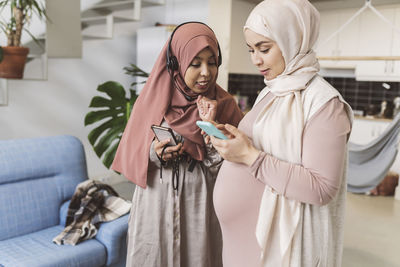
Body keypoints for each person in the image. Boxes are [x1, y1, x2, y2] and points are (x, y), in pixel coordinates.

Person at [210, 1, 353, 266]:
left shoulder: (324, 105)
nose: (256, 59)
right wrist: (233, 141)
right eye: (251, 49)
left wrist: (251, 156)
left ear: (293, 38)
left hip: (279, 245)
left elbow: (322, 188)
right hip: (240, 242)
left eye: (264, 49)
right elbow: (261, 143)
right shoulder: (272, 90)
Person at [111, 22, 243, 267]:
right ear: (176, 63)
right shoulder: (151, 99)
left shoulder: (224, 105)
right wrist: (154, 153)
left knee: (199, 256)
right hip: (155, 199)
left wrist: (211, 126)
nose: (205, 72)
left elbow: (237, 166)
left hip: (200, 199)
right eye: (195, 64)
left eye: (212, 62)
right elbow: (135, 150)